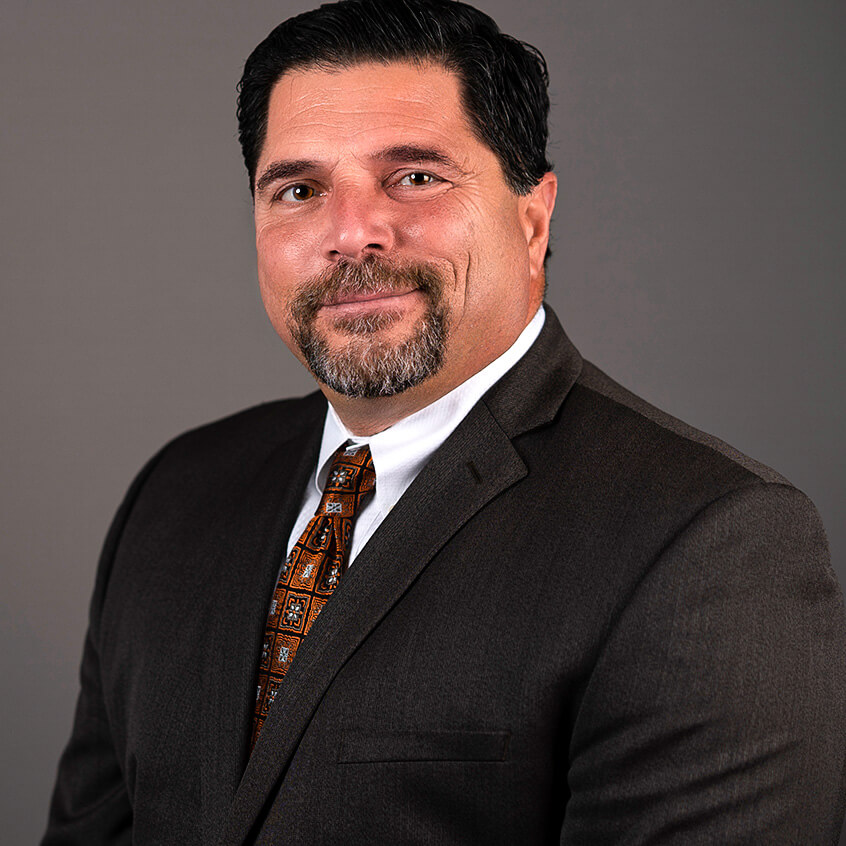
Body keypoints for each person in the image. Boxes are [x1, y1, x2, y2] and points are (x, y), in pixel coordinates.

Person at [42, 0, 846, 843]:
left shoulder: (711, 542)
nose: (352, 233)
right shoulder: (176, 494)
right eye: (300, 189)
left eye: (415, 176)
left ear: (532, 220)